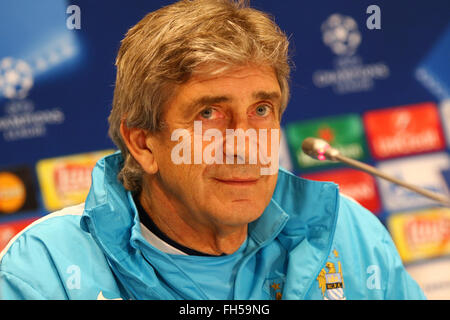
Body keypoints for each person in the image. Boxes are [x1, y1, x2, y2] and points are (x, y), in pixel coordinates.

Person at [0, 0, 425, 300]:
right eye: (209, 114)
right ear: (143, 144)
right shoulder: (46, 271)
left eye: (261, 109)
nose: (244, 144)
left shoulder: (348, 234)